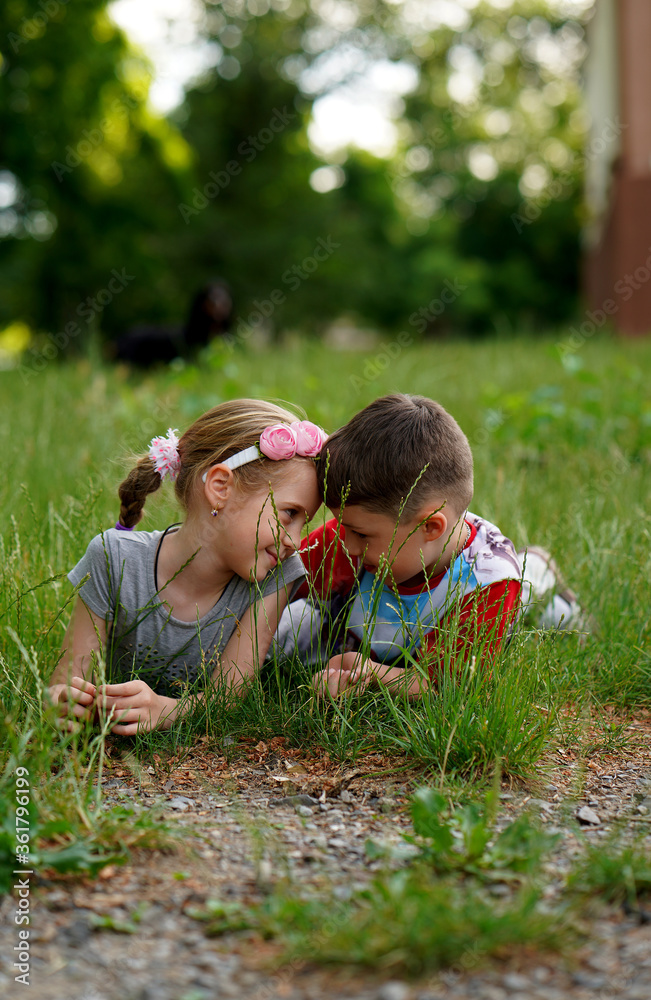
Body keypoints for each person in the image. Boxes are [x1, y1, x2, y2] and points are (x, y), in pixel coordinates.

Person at [47, 400, 324, 733]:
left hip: (298, 640)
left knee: (311, 627)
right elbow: (69, 678)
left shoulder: (278, 575)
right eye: (290, 515)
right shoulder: (112, 559)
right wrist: (66, 702)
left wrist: (167, 710)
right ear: (221, 487)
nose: (295, 540)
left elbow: (229, 697)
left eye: (303, 523)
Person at [295, 393, 585, 698]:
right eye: (343, 526)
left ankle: (538, 572)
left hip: (492, 598)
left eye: (361, 535)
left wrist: (370, 675)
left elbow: (446, 684)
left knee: (537, 608)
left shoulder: (488, 584)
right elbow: (276, 584)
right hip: (390, 629)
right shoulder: (351, 535)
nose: (347, 545)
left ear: (430, 526)